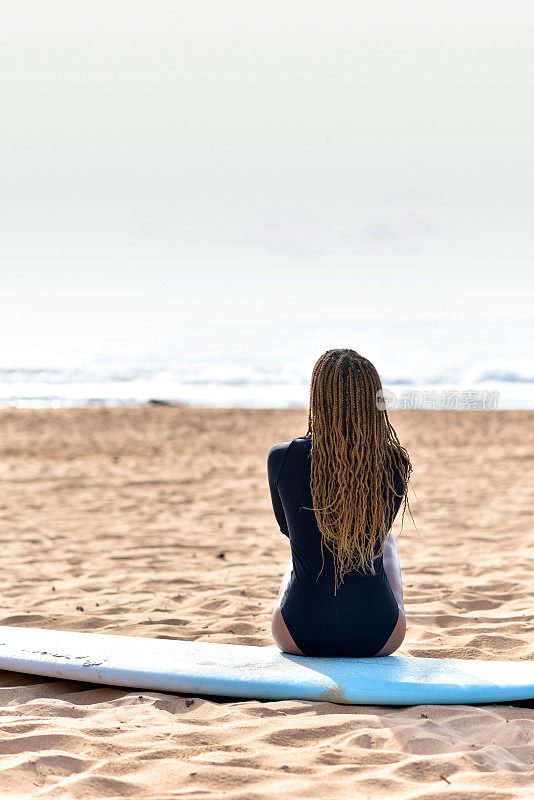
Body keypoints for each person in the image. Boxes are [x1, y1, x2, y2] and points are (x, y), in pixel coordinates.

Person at [267, 348, 412, 658]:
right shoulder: (395, 462)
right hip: (380, 635)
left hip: (298, 634)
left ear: (318, 397)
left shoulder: (282, 457)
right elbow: (379, 529)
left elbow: (288, 530)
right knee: (385, 541)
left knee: (298, 555)